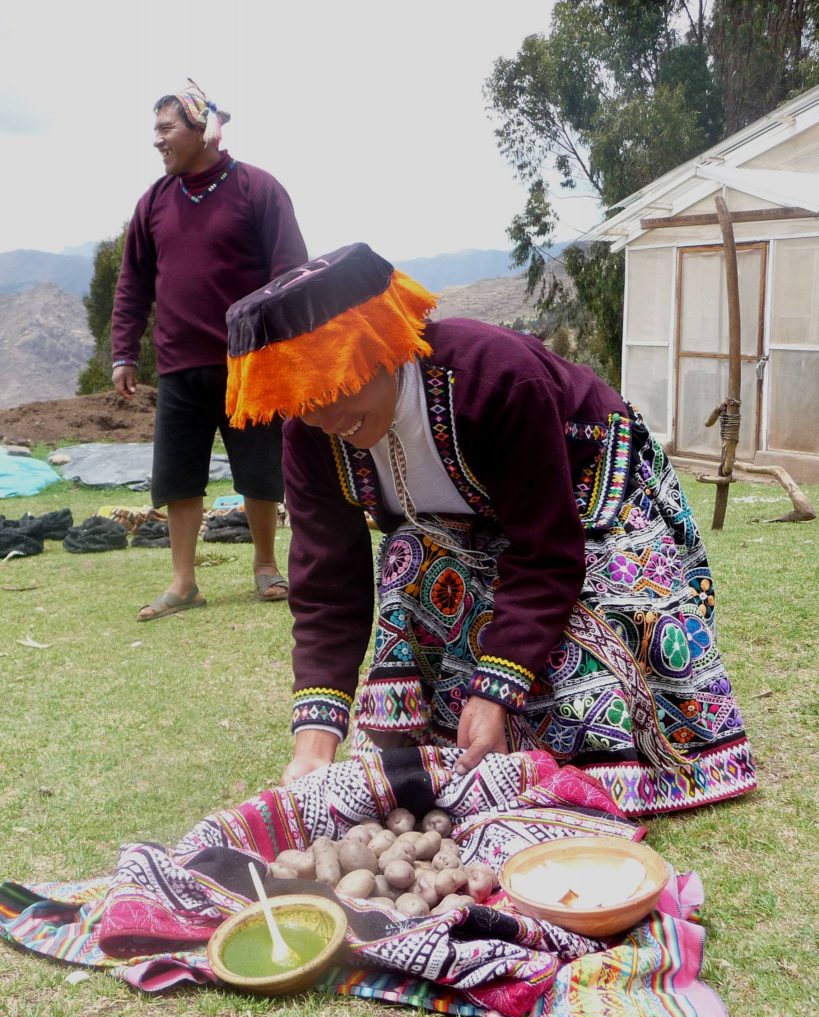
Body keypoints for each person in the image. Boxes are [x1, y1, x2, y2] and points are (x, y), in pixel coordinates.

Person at [225, 243, 757, 817]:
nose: (327, 418)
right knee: (408, 557)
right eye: (305, 402)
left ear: (383, 346)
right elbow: (328, 583)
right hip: (472, 525)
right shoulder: (311, 436)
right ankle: (437, 731)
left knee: (596, 632)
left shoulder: (495, 377)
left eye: (336, 390)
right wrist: (314, 741)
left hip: (591, 501)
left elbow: (546, 550)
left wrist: (497, 687)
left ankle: (585, 745)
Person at [111, 79, 307, 620]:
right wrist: (124, 352)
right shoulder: (154, 201)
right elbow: (133, 284)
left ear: (201, 129)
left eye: (165, 127)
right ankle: (183, 583)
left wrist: (282, 348)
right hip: (178, 365)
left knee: (259, 469)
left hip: (249, 362)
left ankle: (266, 566)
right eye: (155, 129)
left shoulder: (258, 189)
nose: (157, 140)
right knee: (178, 474)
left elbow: (289, 271)